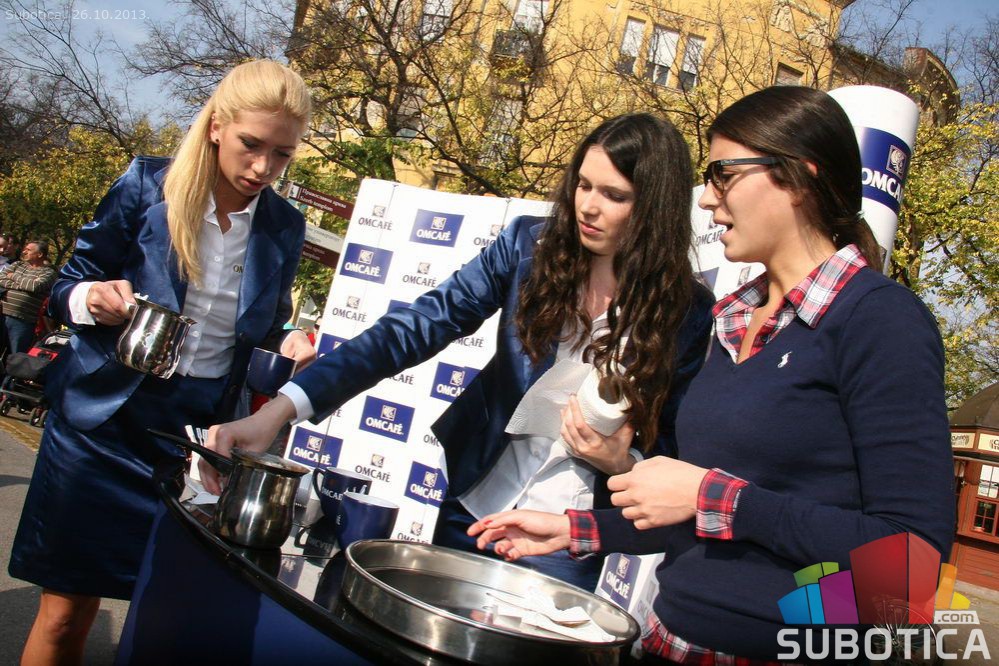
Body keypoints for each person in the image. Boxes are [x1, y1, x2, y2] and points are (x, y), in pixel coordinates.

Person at [469, 86, 955, 661]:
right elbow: (702, 518)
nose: (706, 199)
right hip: (669, 642)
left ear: (799, 178)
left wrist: (713, 495)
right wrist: (582, 530)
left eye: (723, 174)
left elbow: (912, 565)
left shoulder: (880, 320)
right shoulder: (732, 319)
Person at [204, 112, 715, 589]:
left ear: (654, 207)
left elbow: (673, 452)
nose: (588, 206)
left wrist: (621, 462)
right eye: (583, 185)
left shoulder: (688, 311)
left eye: (614, 195)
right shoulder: (528, 247)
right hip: (474, 503)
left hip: (568, 537)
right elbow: (414, 328)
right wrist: (280, 411)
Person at [9, 60, 315, 665]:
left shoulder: (285, 225)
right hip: (100, 425)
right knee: (65, 613)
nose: (263, 168)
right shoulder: (148, 186)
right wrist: (92, 299)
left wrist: (289, 342)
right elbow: (66, 286)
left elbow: (266, 324)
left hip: (192, 440)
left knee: (165, 616)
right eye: (251, 145)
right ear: (216, 127)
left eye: (282, 155)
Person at [0, 240, 58, 353]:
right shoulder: (18, 264)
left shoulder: (49, 272)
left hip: (23, 321)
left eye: (28, 250)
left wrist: (13, 276)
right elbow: (1, 278)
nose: (24, 252)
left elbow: (34, 286)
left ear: (39, 254)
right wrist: (22, 285)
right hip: (2, 314)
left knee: (15, 355)